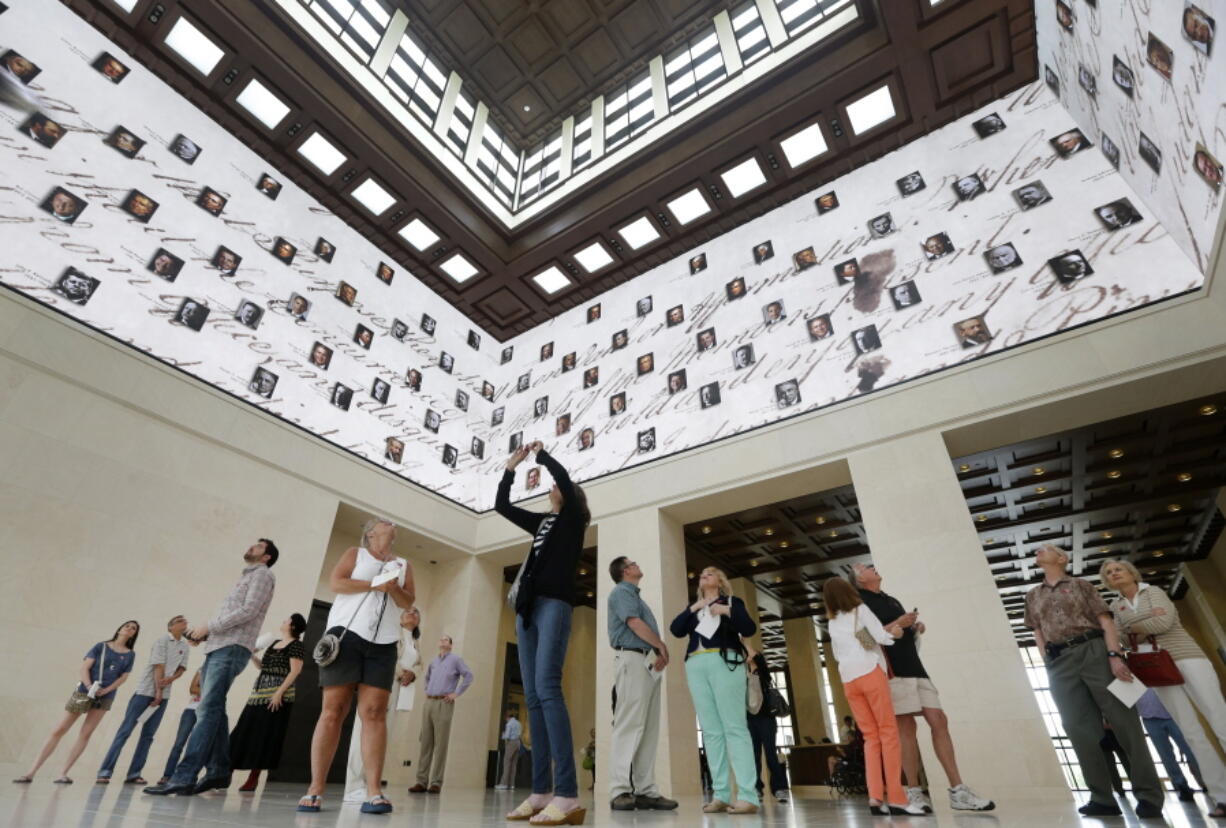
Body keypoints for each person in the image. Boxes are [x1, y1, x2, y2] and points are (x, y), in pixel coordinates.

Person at [1023, 545, 1163, 818]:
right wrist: (1046, 660)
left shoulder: (1081, 585)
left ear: (1061, 559)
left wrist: (1114, 655)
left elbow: (1106, 622)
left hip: (1095, 651)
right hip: (1058, 661)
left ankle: (1148, 794)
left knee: (1125, 722)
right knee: (1077, 728)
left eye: (1046, 549)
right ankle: (1102, 797)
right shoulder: (1033, 595)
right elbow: (1037, 630)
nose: (1038, 551)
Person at [495, 441, 590, 826]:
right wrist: (511, 467)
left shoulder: (572, 520)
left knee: (549, 688)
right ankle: (541, 792)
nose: (551, 490)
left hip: (555, 604)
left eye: (556, 490)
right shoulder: (543, 522)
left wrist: (543, 457)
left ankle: (567, 794)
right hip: (527, 609)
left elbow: (565, 482)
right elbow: (502, 506)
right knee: (533, 696)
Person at [851, 563, 995, 812]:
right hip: (892, 671)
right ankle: (914, 792)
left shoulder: (891, 599)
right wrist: (899, 623)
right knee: (906, 728)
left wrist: (914, 628)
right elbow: (863, 640)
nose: (872, 567)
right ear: (859, 580)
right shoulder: (858, 604)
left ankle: (958, 791)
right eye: (865, 567)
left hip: (917, 668)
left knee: (939, 720)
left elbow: (898, 630)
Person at [298, 519, 414, 815]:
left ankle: (373, 791)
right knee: (333, 710)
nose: (390, 522)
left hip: (384, 643)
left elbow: (408, 600)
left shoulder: (403, 564)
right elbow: (337, 583)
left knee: (374, 713)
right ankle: (315, 788)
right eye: (381, 522)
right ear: (371, 533)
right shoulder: (355, 553)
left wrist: (392, 588)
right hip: (345, 636)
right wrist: (376, 583)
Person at [144, 540, 278, 797]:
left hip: (231, 648)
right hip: (219, 647)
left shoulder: (263, 574)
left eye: (258, 546)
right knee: (214, 709)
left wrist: (209, 627)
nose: (251, 546)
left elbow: (248, 610)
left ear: (266, 557)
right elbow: (234, 615)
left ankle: (184, 776)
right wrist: (204, 635)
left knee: (207, 710)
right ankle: (218, 770)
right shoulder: (248, 575)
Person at [1101, 558, 1226, 817]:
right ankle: (1221, 795)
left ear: (1131, 573)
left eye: (1118, 569)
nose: (1114, 574)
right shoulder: (1116, 605)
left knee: (1220, 719)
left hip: (1187, 657)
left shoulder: (1153, 591)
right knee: (1191, 732)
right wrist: (1141, 623)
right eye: (1109, 573)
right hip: (1155, 669)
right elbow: (1122, 638)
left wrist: (1132, 627)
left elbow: (1163, 624)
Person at [821, 578, 922, 816]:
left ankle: (875, 798)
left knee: (870, 738)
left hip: (849, 680)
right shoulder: (860, 609)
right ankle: (897, 798)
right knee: (888, 733)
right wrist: (896, 632)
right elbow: (880, 637)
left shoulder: (833, 622)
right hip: (870, 674)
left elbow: (840, 653)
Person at [669, 566, 759, 815]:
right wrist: (693, 608)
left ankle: (748, 795)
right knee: (710, 731)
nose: (704, 575)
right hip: (696, 664)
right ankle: (720, 794)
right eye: (701, 574)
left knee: (734, 727)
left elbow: (748, 628)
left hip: (725, 661)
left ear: (720, 579)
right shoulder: (695, 606)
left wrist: (726, 610)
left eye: (709, 572)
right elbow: (676, 630)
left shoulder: (733, 601)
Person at [14, 621, 139, 784]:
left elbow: (123, 677)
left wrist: (106, 690)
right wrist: (89, 686)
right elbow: (85, 668)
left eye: (133, 628)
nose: (129, 628)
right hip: (84, 691)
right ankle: (31, 772)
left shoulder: (130, 654)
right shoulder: (100, 646)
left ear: (134, 635)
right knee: (60, 729)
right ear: (120, 628)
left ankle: (63, 773)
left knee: (86, 733)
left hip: (105, 697)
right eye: (127, 625)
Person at [606, 556, 677, 811]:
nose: (637, 564)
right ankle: (619, 790)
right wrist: (660, 644)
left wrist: (657, 653)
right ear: (626, 570)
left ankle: (646, 790)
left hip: (647, 663)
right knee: (629, 725)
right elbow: (634, 624)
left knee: (648, 728)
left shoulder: (637, 597)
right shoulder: (621, 592)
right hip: (631, 659)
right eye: (633, 563)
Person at [97, 616, 192, 784]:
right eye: (180, 621)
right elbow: (158, 665)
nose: (184, 622)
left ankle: (134, 774)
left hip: (164, 695)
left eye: (185, 621)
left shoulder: (185, 646)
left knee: (148, 735)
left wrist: (171, 679)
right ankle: (105, 771)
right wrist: (157, 691)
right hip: (145, 693)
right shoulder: (162, 641)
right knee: (125, 731)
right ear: (171, 626)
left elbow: (182, 668)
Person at [346, 607, 422, 802]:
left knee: (383, 733)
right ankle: (353, 785)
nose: (412, 613)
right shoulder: (393, 634)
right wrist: (401, 673)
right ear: (399, 617)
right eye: (408, 610)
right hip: (380, 682)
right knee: (362, 731)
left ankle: (371, 784)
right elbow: (387, 656)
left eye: (416, 612)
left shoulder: (414, 642)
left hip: (399, 689)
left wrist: (413, 673)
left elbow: (419, 664)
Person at [229, 614, 306, 792]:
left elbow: (295, 672)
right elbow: (263, 667)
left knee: (265, 736)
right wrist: (251, 656)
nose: (283, 621)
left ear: (293, 626)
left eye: (286, 620)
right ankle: (226, 772)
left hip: (278, 697)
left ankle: (253, 777)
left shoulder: (297, 646)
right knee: (243, 731)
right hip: (258, 694)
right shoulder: (273, 643)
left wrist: (279, 693)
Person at [408, 634, 474, 793]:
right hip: (429, 703)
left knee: (441, 744)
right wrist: (427, 690)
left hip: (444, 704)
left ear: (451, 645)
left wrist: (456, 693)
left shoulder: (456, 660)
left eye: (446, 640)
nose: (443, 641)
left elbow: (469, 676)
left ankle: (436, 782)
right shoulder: (433, 662)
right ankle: (421, 782)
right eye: (441, 639)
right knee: (425, 743)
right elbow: (427, 678)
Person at [1134, 690, 1202, 802]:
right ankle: (1181, 786)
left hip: (1173, 714)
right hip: (1149, 717)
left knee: (1191, 751)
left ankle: (1205, 781)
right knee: (1165, 756)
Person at [744, 650, 790, 803]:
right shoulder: (742, 673)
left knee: (771, 754)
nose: (748, 656)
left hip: (766, 720)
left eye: (752, 655)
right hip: (750, 720)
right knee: (753, 756)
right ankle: (757, 788)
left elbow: (752, 653)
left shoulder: (763, 673)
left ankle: (779, 788)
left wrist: (744, 641)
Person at [159, 669, 202, 784]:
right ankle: (167, 776)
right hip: (191, 710)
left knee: (196, 747)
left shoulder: (222, 673)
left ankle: (187, 777)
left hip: (206, 714)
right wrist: (210, 691)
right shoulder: (202, 669)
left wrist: (201, 689)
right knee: (178, 744)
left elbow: (217, 693)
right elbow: (192, 689)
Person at [497, 711, 523, 790]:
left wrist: (503, 735)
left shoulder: (509, 724)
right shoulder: (519, 723)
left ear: (507, 717)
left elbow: (507, 736)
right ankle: (511, 785)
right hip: (518, 743)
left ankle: (503, 784)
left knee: (507, 763)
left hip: (511, 743)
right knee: (513, 764)